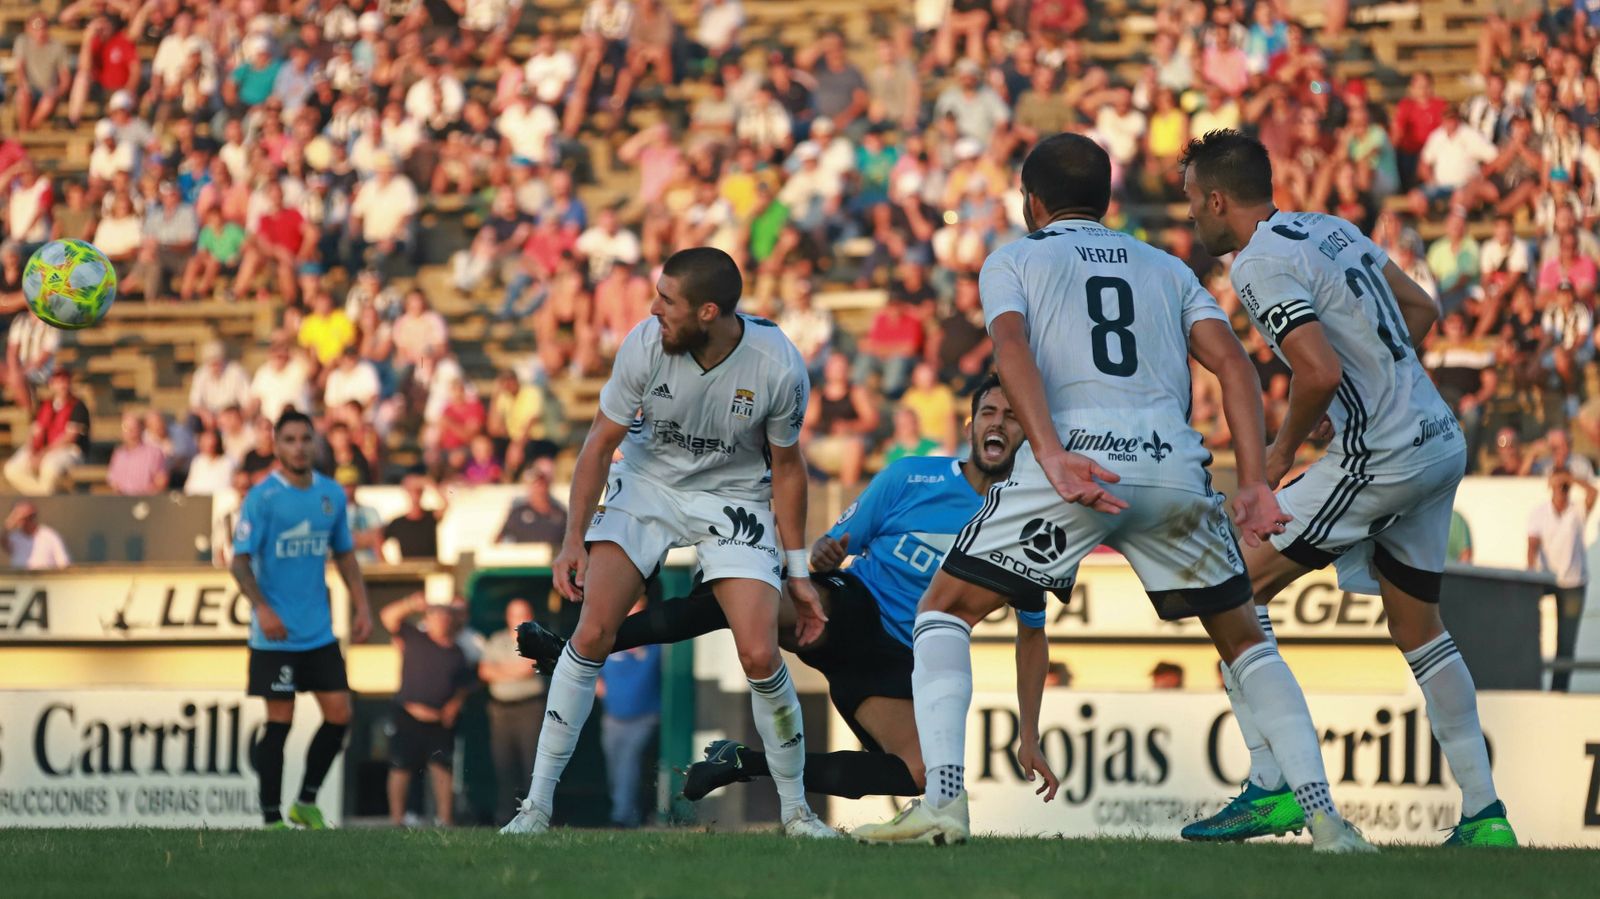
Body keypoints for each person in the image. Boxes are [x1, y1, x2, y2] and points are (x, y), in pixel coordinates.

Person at [852, 133, 1361, 852]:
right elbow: (1237, 370)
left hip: (1078, 467)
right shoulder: (1166, 266)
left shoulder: (1017, 258)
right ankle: (1328, 820)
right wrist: (1251, 479)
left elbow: (1010, 350)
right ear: (1107, 200)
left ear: (1031, 202)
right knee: (1246, 640)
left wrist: (1053, 454)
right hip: (1173, 466)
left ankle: (943, 802)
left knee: (944, 610)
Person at [1181, 129, 1511, 847]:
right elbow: (1422, 310)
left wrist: (1269, 462)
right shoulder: (1329, 228)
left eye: (1190, 204)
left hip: (1383, 453)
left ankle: (1274, 786)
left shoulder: (1258, 262)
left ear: (1217, 199)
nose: (1190, 220)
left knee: (1228, 585)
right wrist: (1380, 391)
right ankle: (1486, 817)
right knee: (1417, 629)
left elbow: (1318, 371)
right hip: (1436, 437)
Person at [519, 377, 1029, 805]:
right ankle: (575, 650)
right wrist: (828, 550)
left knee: (917, 774)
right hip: (851, 607)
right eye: (989, 411)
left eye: (1012, 415)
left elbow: (1033, 630)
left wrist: (1029, 732)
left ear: (1028, 433)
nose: (999, 422)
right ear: (970, 424)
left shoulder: (1027, 525)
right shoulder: (912, 476)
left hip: (901, 660)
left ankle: (744, 763)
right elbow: (840, 541)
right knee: (741, 605)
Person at [499, 247, 834, 839]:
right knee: (593, 632)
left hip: (734, 495)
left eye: (667, 301)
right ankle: (535, 808)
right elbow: (599, 445)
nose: (653, 309)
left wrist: (798, 569)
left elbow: (788, 468)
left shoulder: (778, 364)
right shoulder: (644, 344)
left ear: (708, 311)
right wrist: (572, 539)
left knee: (759, 652)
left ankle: (797, 815)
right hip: (647, 486)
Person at [230, 409, 373, 829]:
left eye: (304, 439)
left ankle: (305, 802)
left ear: (315, 443)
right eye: (289, 439)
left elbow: (345, 554)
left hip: (318, 631)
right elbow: (238, 562)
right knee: (280, 722)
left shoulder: (330, 494)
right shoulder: (262, 498)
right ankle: (272, 818)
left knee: (340, 714)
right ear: (276, 446)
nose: (298, 446)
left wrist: (362, 605)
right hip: (275, 635)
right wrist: (263, 608)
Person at [379, 593, 475, 827]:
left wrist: (454, 705)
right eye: (435, 616)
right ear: (428, 619)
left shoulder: (458, 652)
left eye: (445, 617)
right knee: (401, 767)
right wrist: (410, 603)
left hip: (439, 721)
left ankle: (445, 819)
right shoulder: (413, 637)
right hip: (407, 715)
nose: (441, 621)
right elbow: (387, 616)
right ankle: (397, 820)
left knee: (442, 769)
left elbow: (464, 685)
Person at [479, 599, 548, 824]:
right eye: (514, 614)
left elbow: (529, 669)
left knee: (532, 764)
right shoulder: (497, 640)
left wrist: (501, 671)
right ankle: (506, 816)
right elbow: (485, 671)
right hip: (501, 711)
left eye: (523, 614)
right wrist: (512, 671)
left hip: (529, 708)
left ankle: (534, 816)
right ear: (508, 617)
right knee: (503, 764)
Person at [1527, 471, 1595, 693]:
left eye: (1563, 486)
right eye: (1556, 485)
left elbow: (1593, 492)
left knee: (1566, 642)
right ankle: (1529, 680)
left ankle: (1559, 690)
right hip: (1547, 579)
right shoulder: (1539, 513)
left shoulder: (1577, 511)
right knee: (1525, 622)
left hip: (1573, 583)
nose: (1560, 489)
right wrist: (1531, 572)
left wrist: (1570, 479)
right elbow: (1533, 544)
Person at [599, 607, 662, 828]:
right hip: (613, 718)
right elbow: (591, 674)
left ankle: (623, 817)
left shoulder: (656, 645)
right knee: (614, 769)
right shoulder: (609, 643)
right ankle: (625, 812)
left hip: (644, 718)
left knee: (629, 762)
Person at [4, 368, 88, 495]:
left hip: (69, 450)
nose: (63, 385)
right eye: (58, 381)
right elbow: (34, 432)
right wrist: (32, 451)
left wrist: (42, 454)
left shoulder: (78, 406)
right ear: (52, 384)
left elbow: (69, 438)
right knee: (11, 469)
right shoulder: (46, 404)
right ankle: (43, 496)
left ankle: (43, 500)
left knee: (49, 467)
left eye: (65, 381)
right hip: (42, 448)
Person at [497, 463, 568, 545]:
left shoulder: (560, 514)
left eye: (541, 484)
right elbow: (500, 540)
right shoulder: (517, 513)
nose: (538, 489)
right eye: (534, 484)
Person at [384, 472, 447, 560]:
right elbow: (378, 538)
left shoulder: (431, 517)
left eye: (418, 491)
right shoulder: (398, 523)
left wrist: (429, 483)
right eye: (411, 491)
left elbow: (445, 504)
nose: (415, 495)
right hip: (408, 572)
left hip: (430, 570)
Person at [107, 412, 169, 496]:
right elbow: (114, 482)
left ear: (141, 429)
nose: (130, 432)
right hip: (123, 502)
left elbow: (161, 482)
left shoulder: (154, 453)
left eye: (134, 428)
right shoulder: (119, 454)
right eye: (126, 428)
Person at [1, 500, 70, 570]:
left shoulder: (49, 535)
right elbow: (4, 542)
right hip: (20, 579)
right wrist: (9, 523)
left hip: (44, 579)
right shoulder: (14, 537)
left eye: (29, 517)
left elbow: (63, 563)